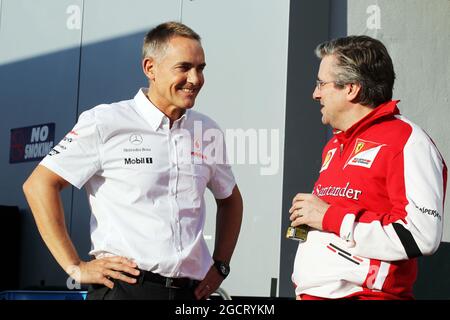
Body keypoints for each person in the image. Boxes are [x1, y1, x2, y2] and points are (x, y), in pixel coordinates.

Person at [23, 21, 243, 300]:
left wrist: (221, 265)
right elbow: (39, 185)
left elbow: (231, 200)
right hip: (125, 290)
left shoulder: (207, 130)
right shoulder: (105, 122)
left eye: (200, 68)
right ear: (150, 68)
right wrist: (75, 266)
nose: (195, 79)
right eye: (184, 67)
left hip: (190, 294)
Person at [289, 35, 447, 300]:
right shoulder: (335, 145)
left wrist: (330, 217)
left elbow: (421, 236)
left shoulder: (407, 140)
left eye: (321, 84)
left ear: (351, 89)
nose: (315, 94)